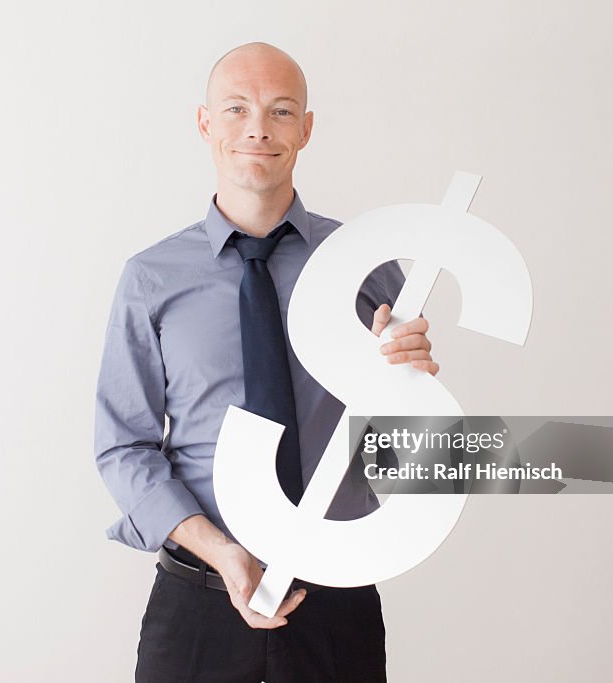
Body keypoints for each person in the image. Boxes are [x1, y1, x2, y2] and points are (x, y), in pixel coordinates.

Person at [94, 42, 439, 682]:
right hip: (198, 597)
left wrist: (410, 380)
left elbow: (398, 445)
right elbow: (124, 448)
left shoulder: (363, 264)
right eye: (237, 109)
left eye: (281, 111)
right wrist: (222, 552)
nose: (258, 128)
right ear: (206, 124)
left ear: (306, 129)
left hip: (336, 593)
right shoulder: (151, 278)